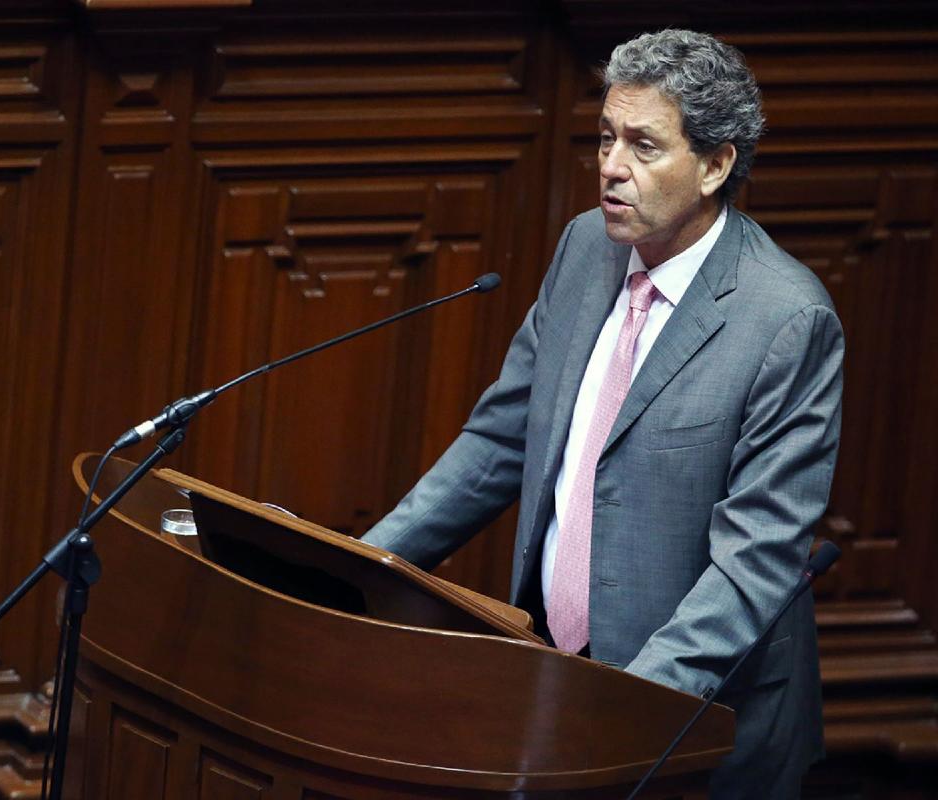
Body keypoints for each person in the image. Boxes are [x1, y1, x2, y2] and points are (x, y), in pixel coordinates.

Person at [361, 29, 842, 799]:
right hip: (555, 676)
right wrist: (355, 570)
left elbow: (756, 563)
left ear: (716, 165)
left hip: (697, 727)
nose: (612, 167)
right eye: (607, 138)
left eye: (645, 146)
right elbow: (501, 440)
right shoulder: (587, 248)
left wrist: (621, 707)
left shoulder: (785, 321)